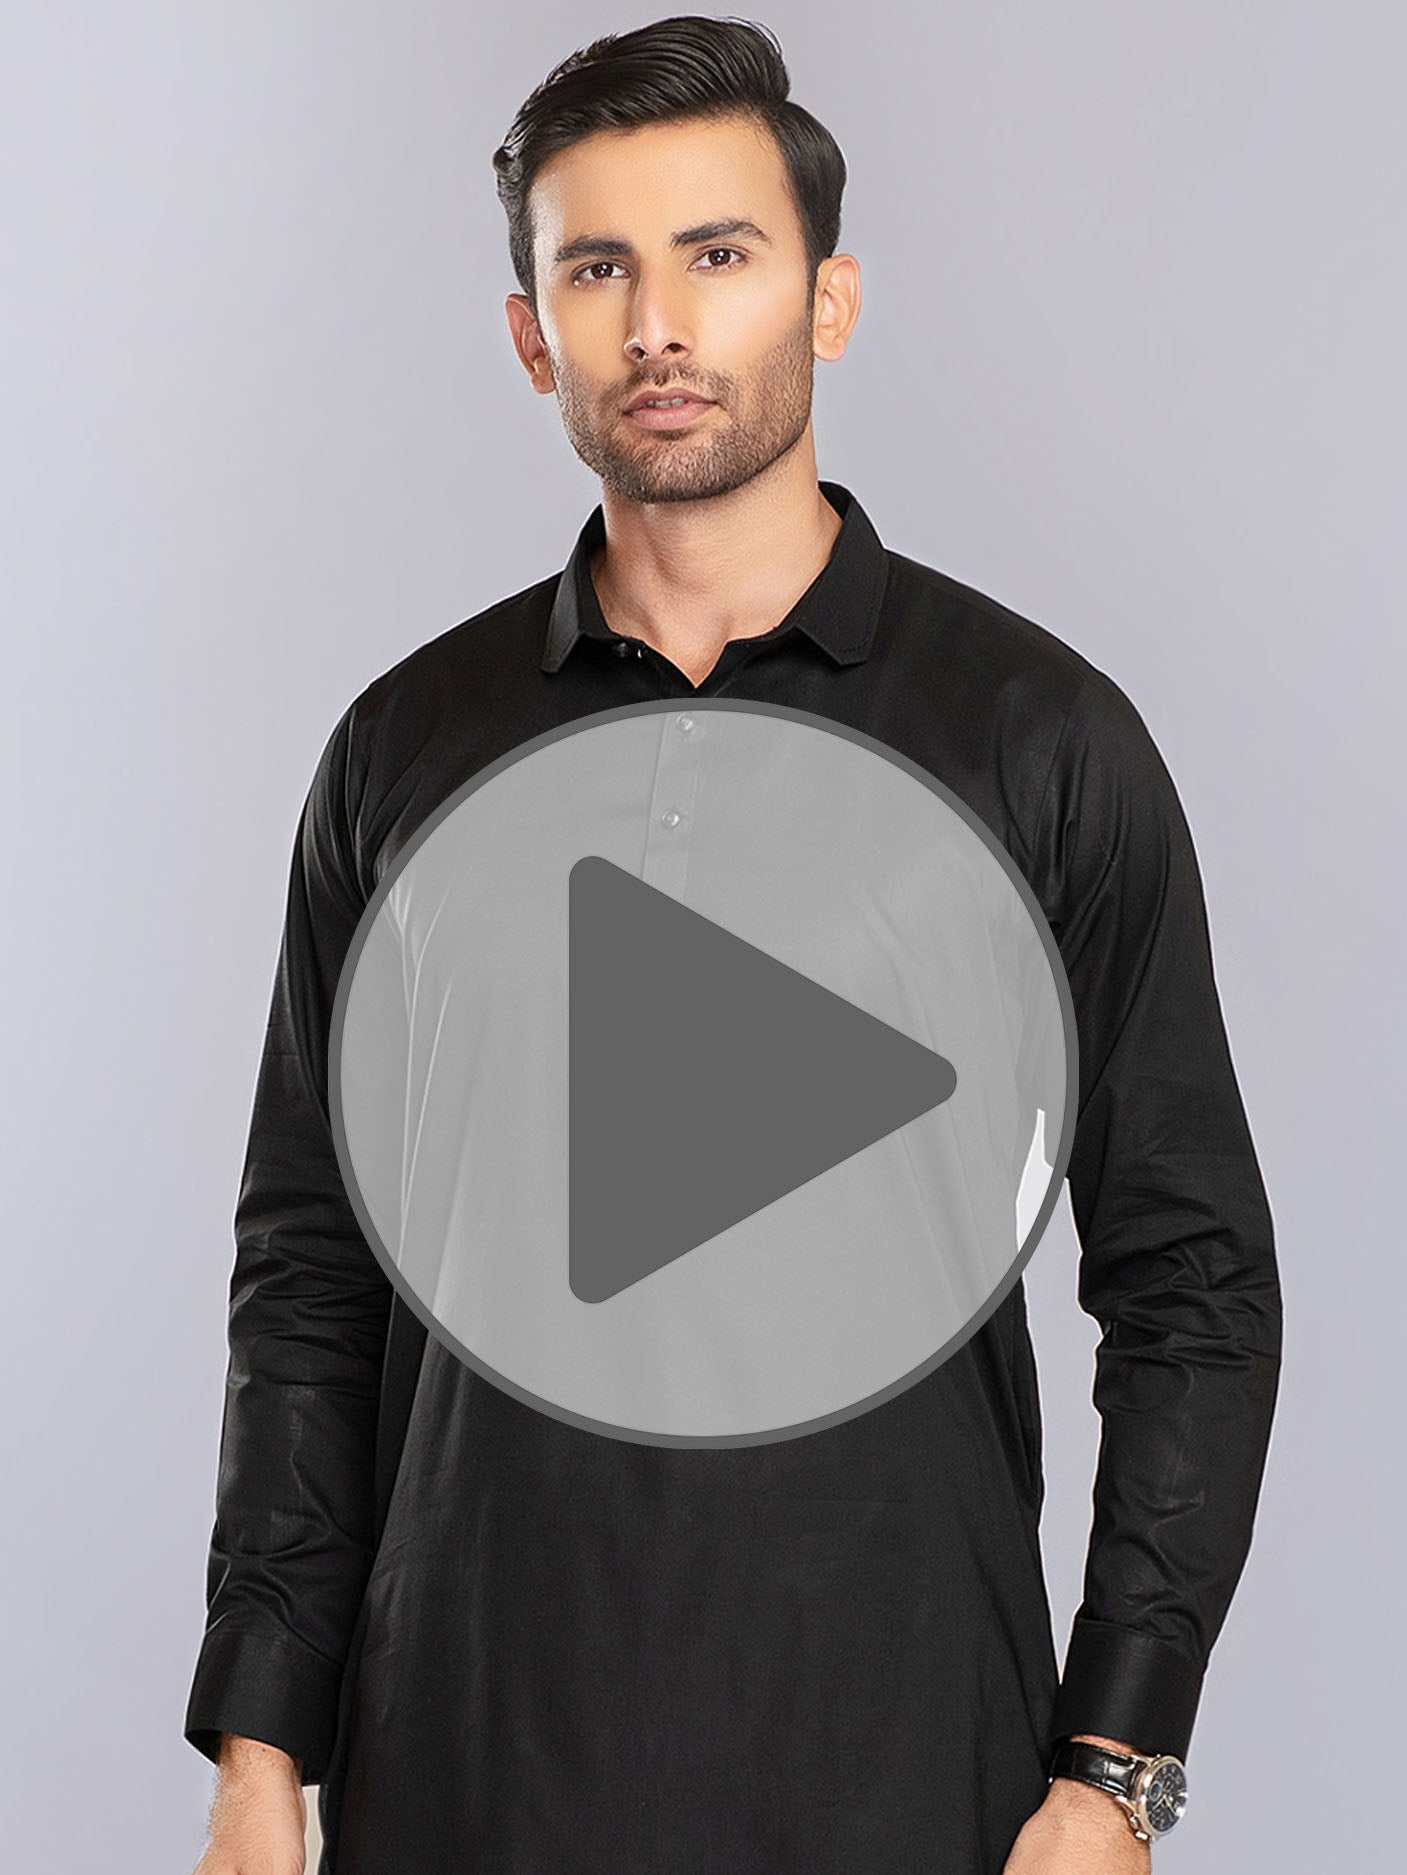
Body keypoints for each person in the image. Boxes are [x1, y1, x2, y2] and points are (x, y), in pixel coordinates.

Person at [185, 16, 1282, 1873]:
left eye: (719, 254)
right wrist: (260, 1744)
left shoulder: (1037, 743)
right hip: (460, 1770)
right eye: (597, 269)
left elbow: (1193, 1284)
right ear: (530, 333)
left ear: (828, 300)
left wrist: (1115, 1768)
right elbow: (310, 1268)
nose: (658, 326)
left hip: (903, 1769)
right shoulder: (404, 751)